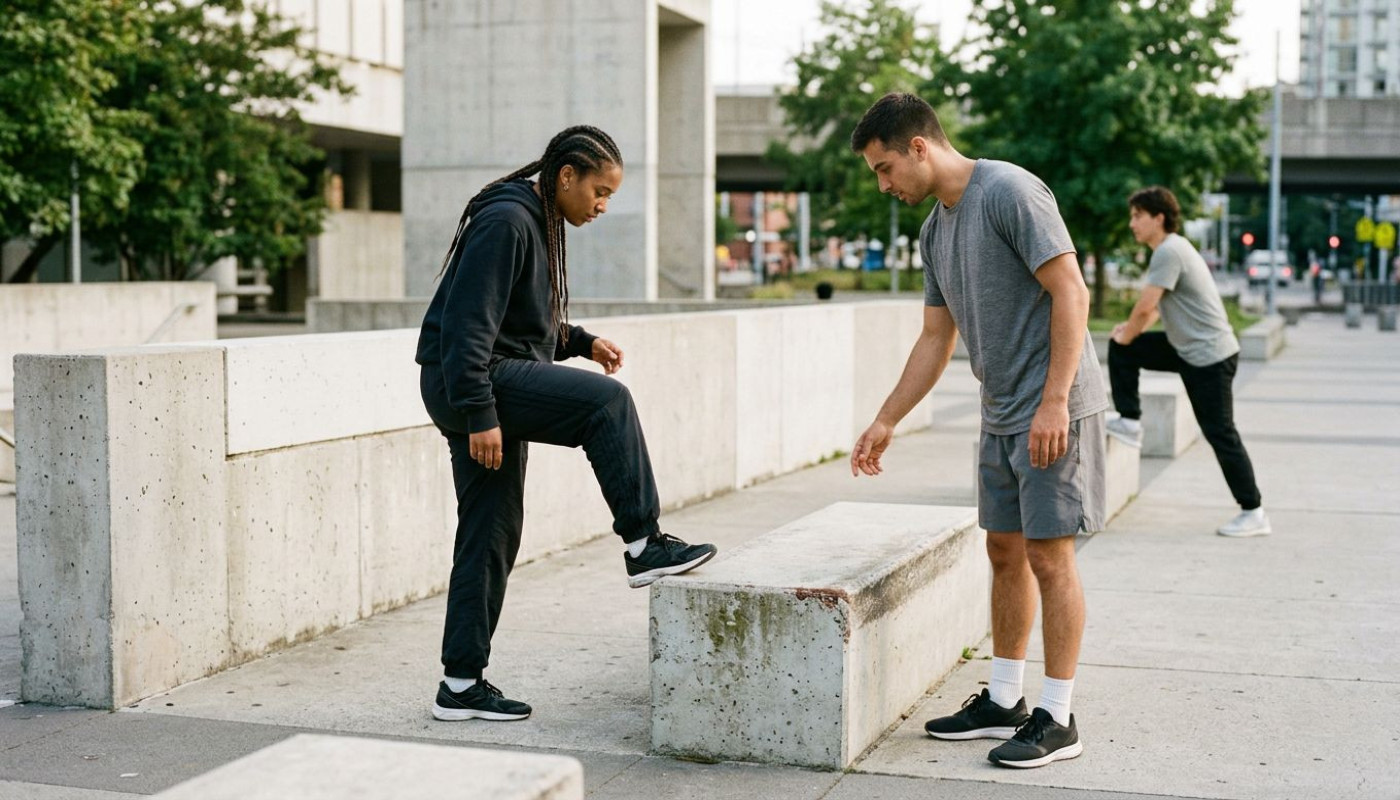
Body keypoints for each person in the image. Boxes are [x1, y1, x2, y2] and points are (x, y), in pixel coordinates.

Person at [415, 125, 717, 723]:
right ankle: (643, 543)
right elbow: (471, 324)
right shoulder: (507, 220)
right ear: (565, 176)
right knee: (607, 404)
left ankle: (460, 682)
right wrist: (479, 412)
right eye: (599, 192)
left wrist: (580, 341)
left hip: (481, 379)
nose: (602, 206)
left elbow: (521, 320)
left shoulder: (537, 218)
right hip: (472, 381)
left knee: (491, 531)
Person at [848, 93, 1107, 769]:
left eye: (884, 169)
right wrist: (886, 419)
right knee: (1003, 551)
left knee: (1051, 557)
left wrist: (1054, 401)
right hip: (1001, 412)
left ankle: (1059, 716)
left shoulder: (1010, 192)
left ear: (919, 148)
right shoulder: (937, 228)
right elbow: (936, 338)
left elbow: (1072, 292)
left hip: (1056, 408)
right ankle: (1004, 697)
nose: (884, 186)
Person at [1107, 186, 1268, 537]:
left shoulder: (1169, 251)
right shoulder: (1168, 251)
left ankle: (1253, 511)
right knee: (1123, 347)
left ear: (1159, 218)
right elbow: (1151, 311)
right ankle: (1130, 421)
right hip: (1187, 350)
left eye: (1138, 215)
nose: (1132, 222)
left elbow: (1146, 306)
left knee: (1220, 433)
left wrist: (1128, 333)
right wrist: (1127, 333)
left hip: (1209, 357)